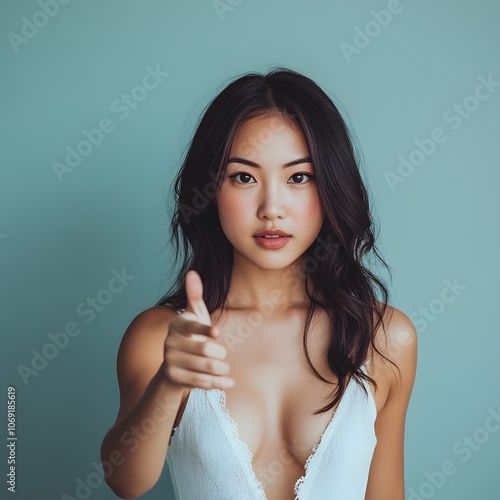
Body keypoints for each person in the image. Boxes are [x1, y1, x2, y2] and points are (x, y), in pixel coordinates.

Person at [100, 67, 418, 500]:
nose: (272, 208)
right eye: (244, 177)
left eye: (299, 177)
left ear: (331, 185)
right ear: (211, 190)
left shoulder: (384, 338)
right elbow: (124, 481)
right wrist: (170, 381)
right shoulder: (162, 336)